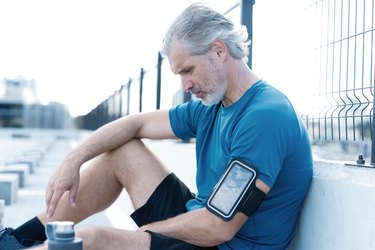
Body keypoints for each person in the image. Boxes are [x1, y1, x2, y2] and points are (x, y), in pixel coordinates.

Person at [0, 3, 313, 250]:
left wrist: (144, 234)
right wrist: (74, 159)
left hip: (223, 243)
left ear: (219, 51)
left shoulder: (264, 116)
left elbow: (220, 226)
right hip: (200, 220)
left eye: (188, 70)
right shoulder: (213, 105)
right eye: (178, 74)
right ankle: (16, 240)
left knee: (95, 241)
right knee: (123, 151)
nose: (185, 84)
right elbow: (135, 124)